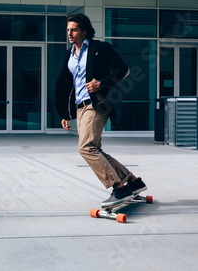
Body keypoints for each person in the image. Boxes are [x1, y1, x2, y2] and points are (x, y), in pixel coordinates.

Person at [55, 13, 147, 208]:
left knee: (86, 148)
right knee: (95, 149)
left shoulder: (100, 48)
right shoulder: (69, 54)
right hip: (80, 107)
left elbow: (122, 68)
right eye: (68, 30)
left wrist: (102, 83)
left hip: (97, 103)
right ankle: (133, 182)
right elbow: (66, 84)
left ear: (84, 31)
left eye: (73, 30)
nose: (69, 33)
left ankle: (118, 187)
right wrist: (65, 112)